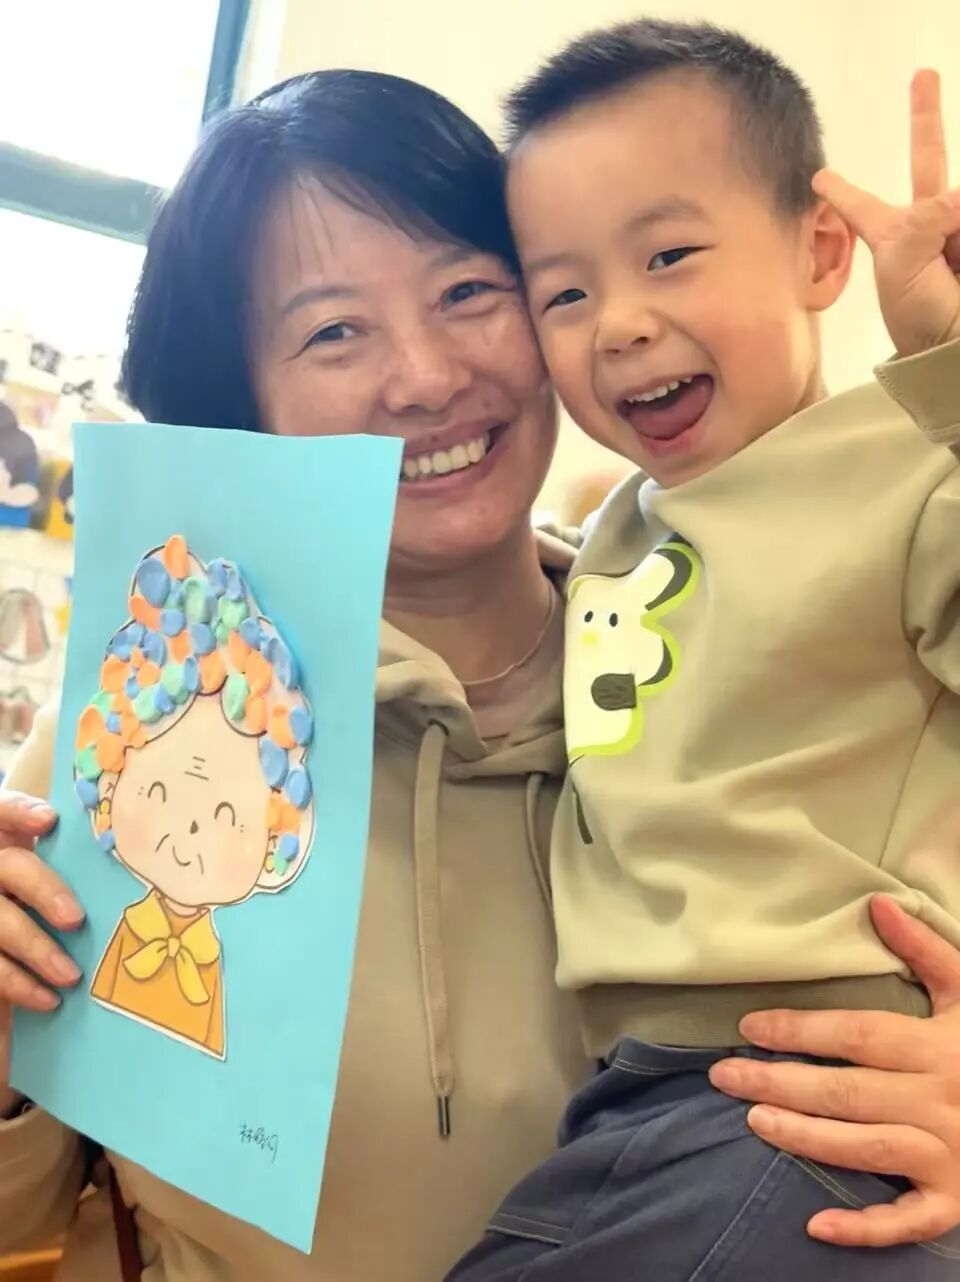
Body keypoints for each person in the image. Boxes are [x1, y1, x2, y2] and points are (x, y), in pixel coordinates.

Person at [0, 69, 958, 1282]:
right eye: (334, 331)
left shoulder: (782, 668)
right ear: (250, 402)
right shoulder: (157, 730)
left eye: (468, 293)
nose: (426, 374)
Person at [447, 19, 960, 1281]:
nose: (618, 323)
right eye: (563, 293)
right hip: (642, 1099)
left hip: (816, 1086)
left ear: (821, 251)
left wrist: (950, 370)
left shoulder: (904, 468)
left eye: (669, 255)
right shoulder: (618, 529)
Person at [78, 535, 314, 1058]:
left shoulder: (216, 959)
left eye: (227, 817)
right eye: (157, 793)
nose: (187, 832)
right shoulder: (118, 927)